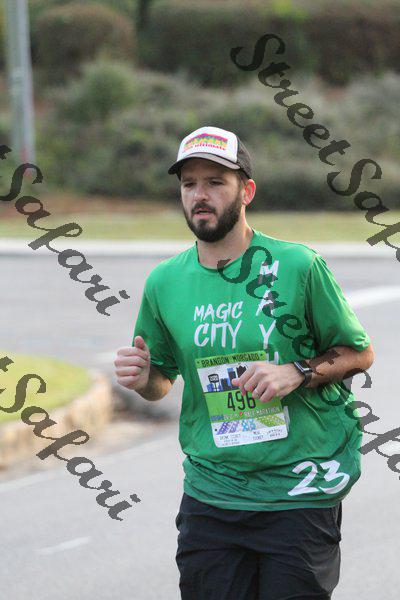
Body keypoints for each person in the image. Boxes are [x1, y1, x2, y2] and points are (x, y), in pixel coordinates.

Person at [114, 125, 374, 599]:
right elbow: (162, 381)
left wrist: (297, 371)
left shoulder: (298, 266)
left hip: (299, 491)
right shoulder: (165, 282)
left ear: (246, 191)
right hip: (212, 494)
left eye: (215, 182)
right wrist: (144, 378)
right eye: (189, 184)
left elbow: (360, 353)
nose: (200, 195)